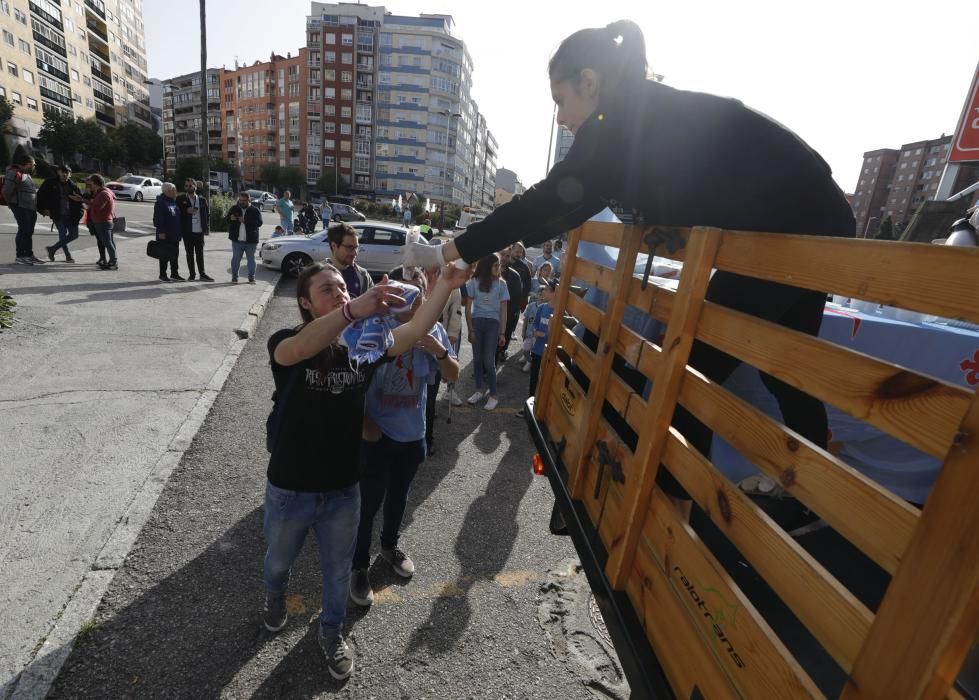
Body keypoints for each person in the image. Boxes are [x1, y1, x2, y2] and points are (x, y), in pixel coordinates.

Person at [404, 20, 855, 516]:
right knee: (785, 369)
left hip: (793, 226)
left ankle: (675, 517)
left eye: (560, 101)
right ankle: (810, 496)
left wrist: (450, 251)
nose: (562, 119)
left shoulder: (617, 124)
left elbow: (544, 203)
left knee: (680, 381)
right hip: (812, 215)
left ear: (590, 83)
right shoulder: (637, 114)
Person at [262, 258, 468, 680]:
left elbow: (413, 331)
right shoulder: (287, 341)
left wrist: (445, 285)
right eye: (327, 290)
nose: (339, 292)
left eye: (342, 287)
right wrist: (354, 309)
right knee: (279, 561)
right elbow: (298, 351)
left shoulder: (363, 349)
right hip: (290, 487)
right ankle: (275, 596)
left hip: (342, 489)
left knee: (337, 572)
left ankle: (332, 632)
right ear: (305, 303)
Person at [349, 265, 459, 608]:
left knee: (399, 496)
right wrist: (366, 423)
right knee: (368, 503)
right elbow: (351, 380)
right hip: (377, 436)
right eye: (404, 293)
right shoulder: (374, 329)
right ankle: (358, 566)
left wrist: (438, 352)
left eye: (418, 294)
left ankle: (390, 545)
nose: (412, 301)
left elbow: (452, 373)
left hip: (412, 434)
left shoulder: (435, 330)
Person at [464, 253, 509, 410]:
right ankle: (478, 390)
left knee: (488, 361)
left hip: (492, 325)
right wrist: (470, 330)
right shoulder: (473, 282)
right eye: (496, 265)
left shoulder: (502, 285)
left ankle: (493, 396)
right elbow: (468, 310)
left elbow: (504, 311)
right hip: (476, 323)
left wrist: (502, 332)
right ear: (486, 266)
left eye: (499, 265)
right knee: (477, 359)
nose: (499, 268)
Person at [516, 278, 557, 418]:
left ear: (554, 293)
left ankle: (543, 411)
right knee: (534, 380)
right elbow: (534, 324)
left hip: (551, 354)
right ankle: (529, 408)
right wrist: (534, 332)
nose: (543, 291)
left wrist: (546, 334)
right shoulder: (541, 308)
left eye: (546, 289)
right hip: (538, 350)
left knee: (547, 381)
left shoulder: (561, 311)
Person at [38, 165, 84, 263]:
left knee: (74, 235)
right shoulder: (50, 183)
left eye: (67, 172)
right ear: (58, 172)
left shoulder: (74, 186)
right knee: (62, 234)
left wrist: (80, 213)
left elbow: (80, 201)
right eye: (62, 171)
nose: (64, 174)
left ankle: (52, 249)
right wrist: (44, 209)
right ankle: (68, 256)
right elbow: (41, 196)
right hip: (57, 214)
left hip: (71, 216)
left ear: (70, 174)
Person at [4, 148, 41, 265]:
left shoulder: (26, 174)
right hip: (20, 206)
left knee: (28, 231)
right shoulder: (14, 173)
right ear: (28, 164)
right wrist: (11, 204)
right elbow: (6, 191)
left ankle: (29, 255)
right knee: (23, 231)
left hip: (30, 208)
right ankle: (20, 256)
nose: (34, 166)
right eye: (33, 164)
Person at [176, 178, 212, 281]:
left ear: (195, 187)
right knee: (190, 253)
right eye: (186, 186)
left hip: (199, 231)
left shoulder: (202, 199)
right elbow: (177, 214)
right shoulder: (180, 198)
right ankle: (192, 274)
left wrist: (206, 226)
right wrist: (186, 211)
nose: (188, 187)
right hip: (187, 231)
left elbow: (207, 214)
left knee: (200, 253)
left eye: (190, 186)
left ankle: (202, 274)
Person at [327, 223, 373, 297]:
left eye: (356, 247)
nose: (355, 253)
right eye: (349, 247)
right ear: (334, 246)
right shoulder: (316, 276)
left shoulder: (363, 276)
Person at [227, 191, 263, 283]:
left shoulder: (255, 210)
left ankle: (251, 277)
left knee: (251, 260)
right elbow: (226, 218)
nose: (242, 202)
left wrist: (245, 221)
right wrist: (230, 218)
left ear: (249, 200)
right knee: (235, 259)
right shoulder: (234, 208)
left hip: (251, 240)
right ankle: (234, 277)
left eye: (244, 200)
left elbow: (259, 223)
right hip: (237, 240)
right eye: (240, 200)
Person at [497, 247, 526, 363]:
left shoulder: (515, 276)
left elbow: (517, 297)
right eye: (502, 254)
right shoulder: (488, 271)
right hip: (490, 312)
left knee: (506, 332)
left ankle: (502, 351)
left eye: (507, 256)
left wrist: (514, 313)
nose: (504, 258)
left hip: (507, 312)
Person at [87, 174, 118, 271]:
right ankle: (112, 261)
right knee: (109, 242)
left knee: (108, 243)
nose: (89, 185)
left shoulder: (103, 193)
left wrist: (87, 203)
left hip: (103, 222)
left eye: (91, 183)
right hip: (104, 221)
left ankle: (113, 262)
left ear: (96, 183)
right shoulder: (102, 192)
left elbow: (98, 207)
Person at [153, 183, 183, 281]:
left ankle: (174, 273)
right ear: (168, 191)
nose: (176, 192)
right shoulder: (161, 202)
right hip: (165, 235)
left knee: (174, 254)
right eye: (175, 190)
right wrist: (161, 232)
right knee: (164, 254)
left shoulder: (173, 201)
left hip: (175, 234)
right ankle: (163, 274)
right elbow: (158, 219)